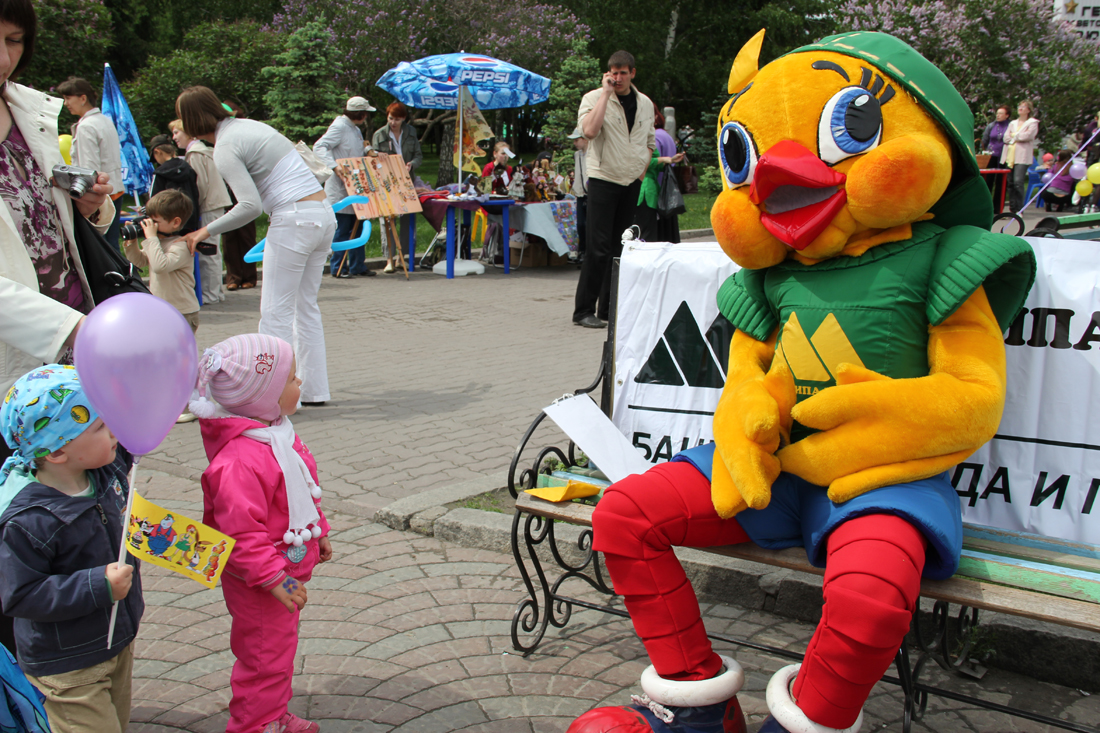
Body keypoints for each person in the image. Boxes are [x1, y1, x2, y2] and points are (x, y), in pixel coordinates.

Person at [187, 334, 332, 733]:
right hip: (261, 580)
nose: (299, 385)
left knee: (279, 651)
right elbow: (241, 533)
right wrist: (272, 578)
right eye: (291, 380)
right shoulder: (238, 462)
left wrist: (319, 530)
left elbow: (302, 486)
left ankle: (273, 711)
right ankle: (253, 724)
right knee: (263, 656)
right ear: (261, 398)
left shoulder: (276, 433)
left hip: (285, 569)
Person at [0, 365, 142, 733]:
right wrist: (98, 586)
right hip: (67, 662)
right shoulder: (27, 519)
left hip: (116, 640)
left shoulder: (102, 471)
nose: (114, 433)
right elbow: (20, 594)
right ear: (58, 452)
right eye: (99, 427)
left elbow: (131, 440)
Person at [176, 86, 336, 407]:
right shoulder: (251, 127)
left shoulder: (224, 148)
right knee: (305, 308)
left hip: (293, 220)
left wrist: (202, 232)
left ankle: (275, 398)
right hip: (323, 214)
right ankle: (314, 391)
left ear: (192, 121)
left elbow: (249, 206)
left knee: (274, 313)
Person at [572, 50, 655, 329]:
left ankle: (608, 309)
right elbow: (590, 132)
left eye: (622, 72)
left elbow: (650, 141)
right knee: (598, 247)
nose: (617, 77)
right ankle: (583, 310)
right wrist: (606, 96)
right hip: (603, 179)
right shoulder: (594, 98)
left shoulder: (644, 103)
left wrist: (640, 173)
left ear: (633, 73)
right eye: (613, 72)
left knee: (621, 248)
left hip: (630, 182)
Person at [170, 119, 234, 300]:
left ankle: (210, 293)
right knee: (212, 249)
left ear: (188, 133)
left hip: (209, 206)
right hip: (214, 204)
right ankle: (215, 292)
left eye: (177, 133)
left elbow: (199, 187)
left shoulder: (195, 153)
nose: (174, 137)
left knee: (208, 251)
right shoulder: (201, 151)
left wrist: (192, 210)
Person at [57, 77, 124, 247]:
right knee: (112, 247)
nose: (66, 103)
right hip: (115, 190)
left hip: (99, 196)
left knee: (99, 250)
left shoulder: (87, 126)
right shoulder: (105, 120)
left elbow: (89, 170)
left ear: (83, 98)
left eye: (68, 98)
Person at [313, 96, 375, 279]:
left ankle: (357, 265)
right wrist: (334, 166)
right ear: (360, 113)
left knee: (358, 226)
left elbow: (356, 150)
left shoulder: (355, 129)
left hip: (356, 185)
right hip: (340, 187)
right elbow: (320, 146)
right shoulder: (339, 126)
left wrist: (370, 152)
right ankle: (338, 267)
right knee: (342, 230)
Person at [122, 190, 199, 334]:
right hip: (161, 308)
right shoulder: (159, 242)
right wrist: (131, 242)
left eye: (155, 222)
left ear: (175, 222)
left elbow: (160, 266)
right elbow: (138, 262)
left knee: (178, 354)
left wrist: (151, 238)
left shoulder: (181, 246)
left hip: (182, 312)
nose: (150, 226)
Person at [371, 102, 422, 273]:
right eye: (391, 118)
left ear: (404, 119)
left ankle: (403, 257)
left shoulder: (411, 132)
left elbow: (418, 156)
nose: (393, 122)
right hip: (386, 180)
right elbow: (371, 157)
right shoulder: (379, 134)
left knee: (407, 218)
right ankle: (389, 259)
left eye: (397, 119)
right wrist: (378, 155)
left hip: (406, 180)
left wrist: (411, 165)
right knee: (387, 218)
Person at [634, 104, 685, 242]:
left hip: (648, 190)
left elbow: (647, 163)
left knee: (647, 233)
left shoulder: (650, 136)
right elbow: (646, 162)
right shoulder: (651, 136)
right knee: (648, 233)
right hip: (648, 190)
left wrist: (667, 160)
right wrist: (666, 160)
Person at [148, 135, 201, 236]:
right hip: (189, 220)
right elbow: (195, 193)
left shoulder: (160, 173)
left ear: (157, 151)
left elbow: (153, 199)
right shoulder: (188, 168)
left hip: (167, 223)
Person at [1002, 99, 1040, 212]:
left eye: (1023, 107)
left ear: (1028, 110)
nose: (1020, 109)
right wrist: (1017, 136)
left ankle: (1019, 209)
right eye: (1019, 106)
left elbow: (1028, 136)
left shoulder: (1032, 123)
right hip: (1010, 155)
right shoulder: (1012, 123)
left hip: (1022, 156)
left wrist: (1014, 136)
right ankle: (1012, 208)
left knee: (1018, 182)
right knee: (1011, 183)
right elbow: (1006, 138)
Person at [568, 127, 588, 261]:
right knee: (580, 224)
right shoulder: (577, 155)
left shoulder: (593, 153)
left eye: (577, 140)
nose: (575, 143)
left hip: (591, 192)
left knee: (589, 224)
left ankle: (588, 251)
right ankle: (583, 250)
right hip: (580, 193)